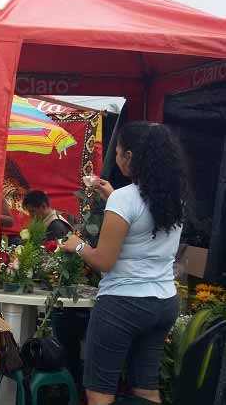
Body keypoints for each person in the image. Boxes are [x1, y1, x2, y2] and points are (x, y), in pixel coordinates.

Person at [60, 122, 186, 405]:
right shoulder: (174, 198)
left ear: (129, 156)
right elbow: (143, 221)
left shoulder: (124, 199)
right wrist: (113, 197)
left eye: (117, 152)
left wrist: (77, 245)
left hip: (123, 304)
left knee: (99, 392)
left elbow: (104, 260)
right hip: (164, 301)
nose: (116, 158)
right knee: (146, 389)